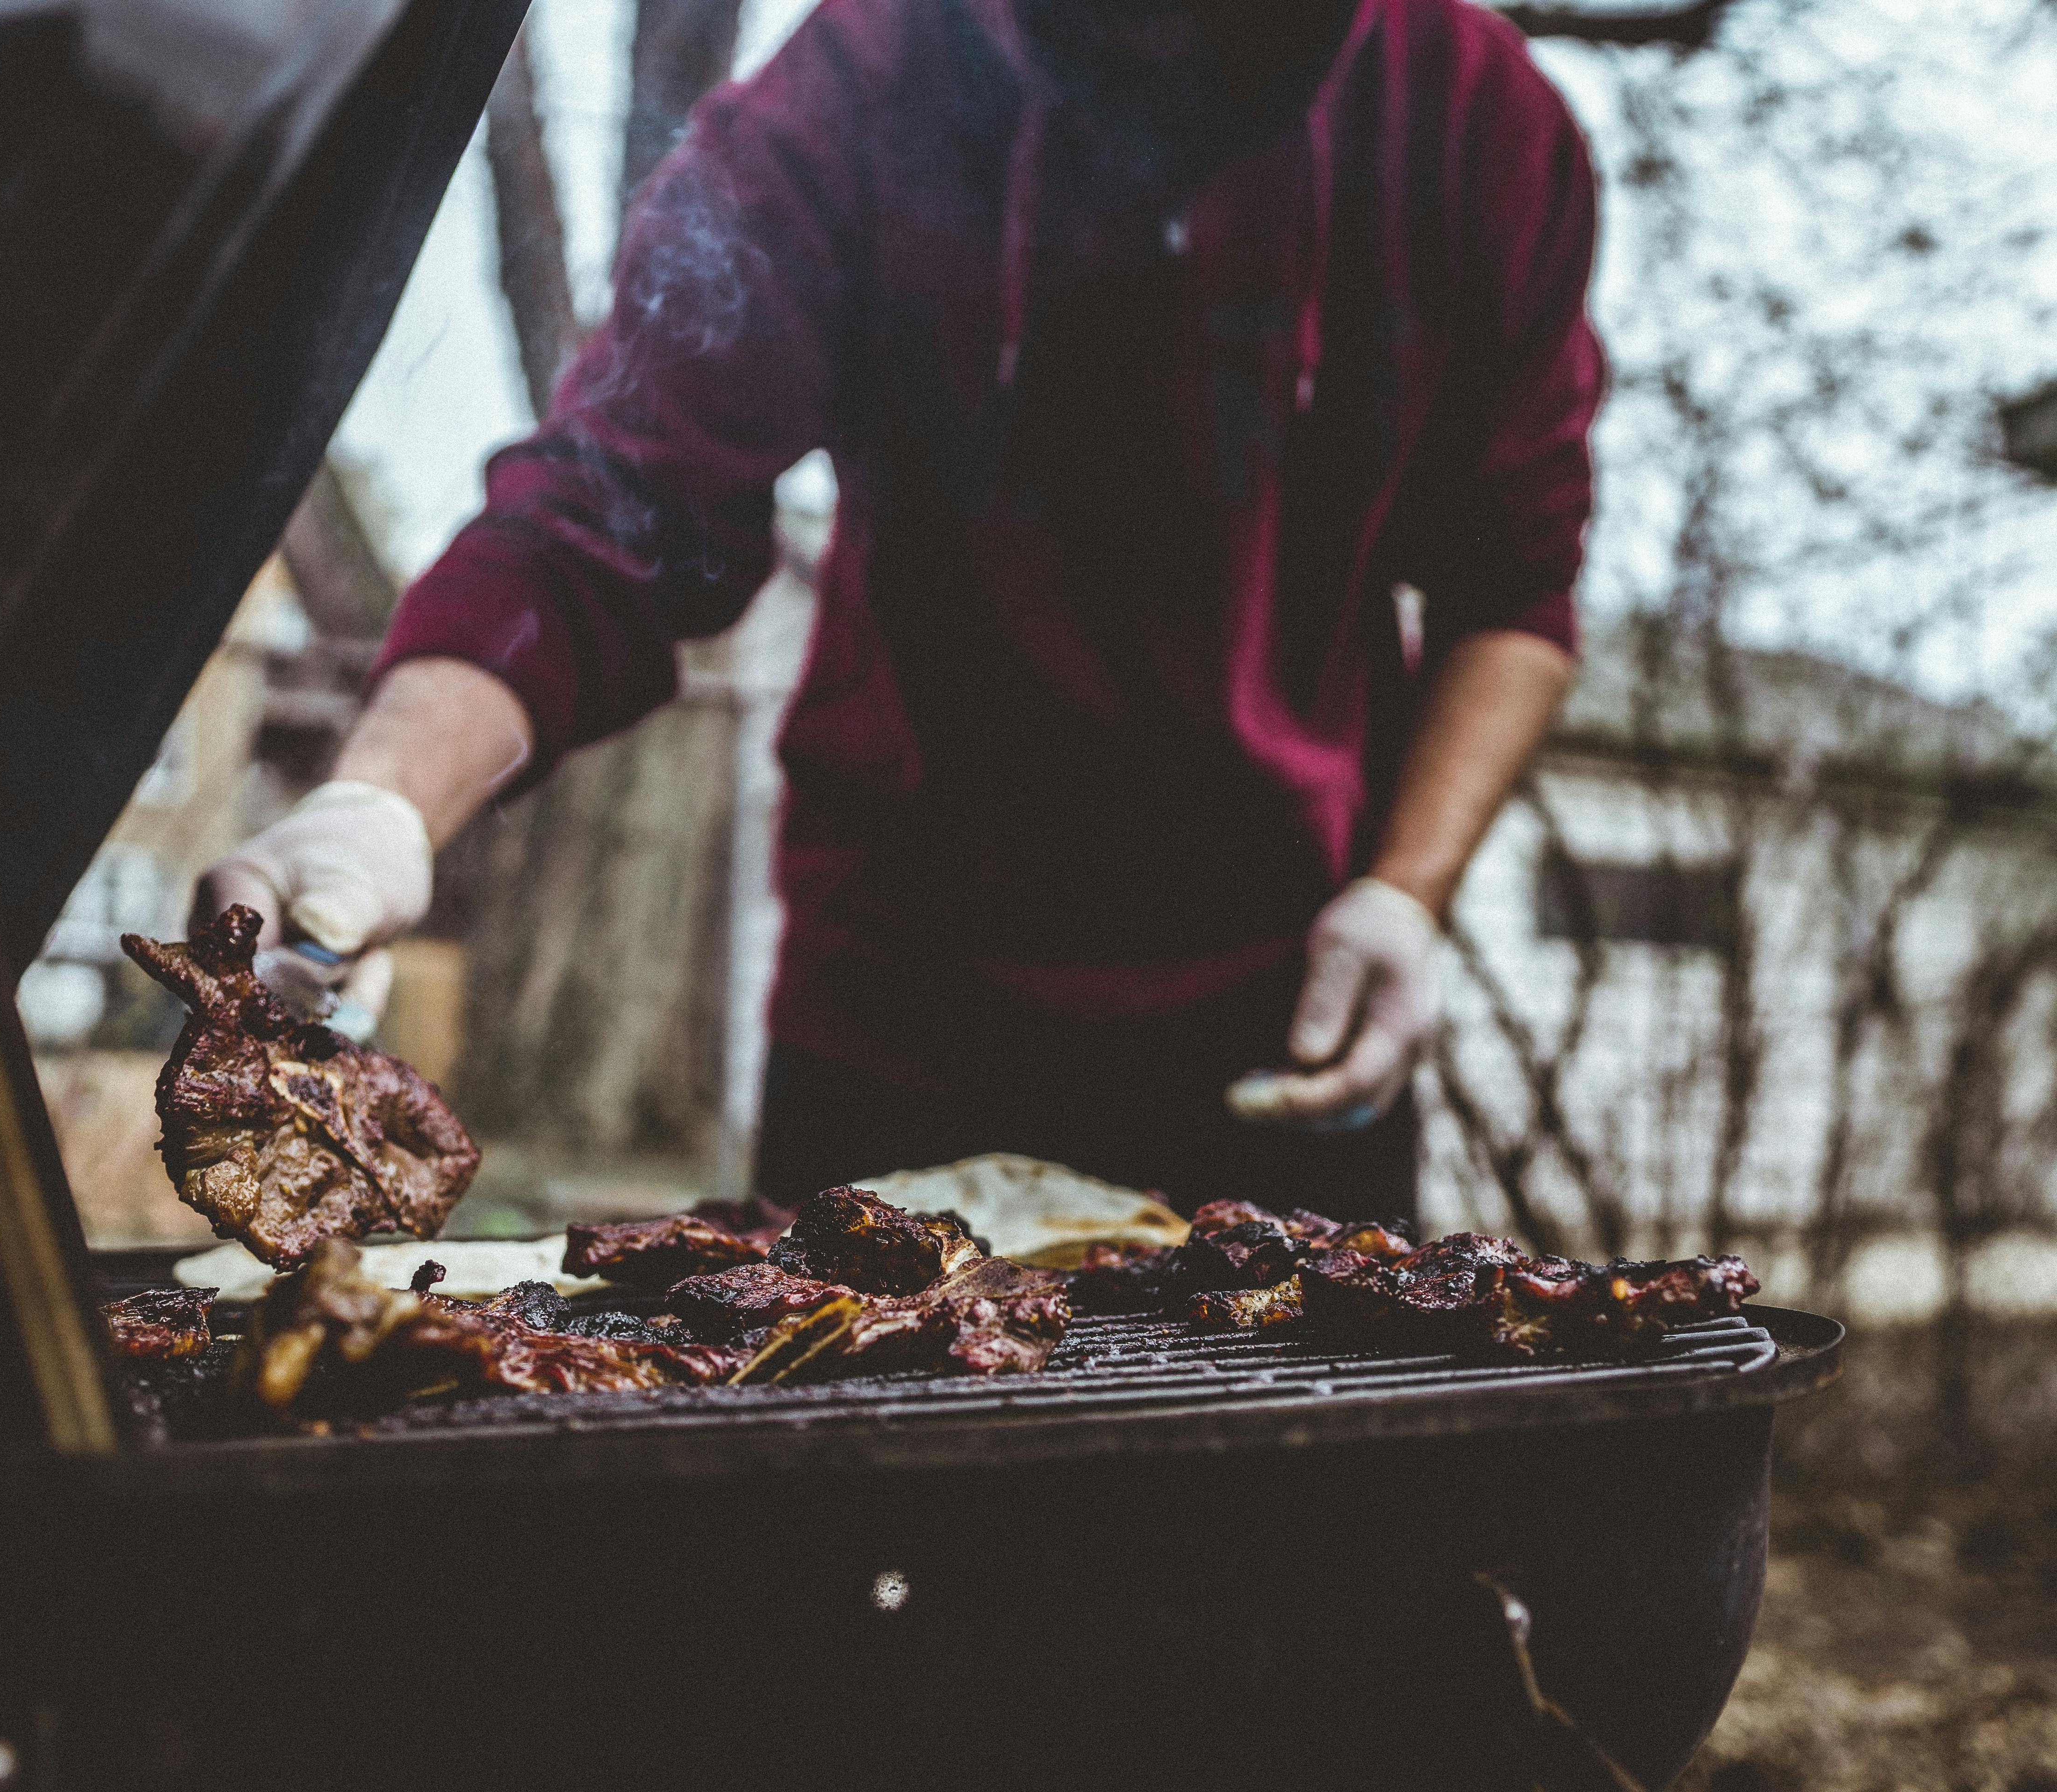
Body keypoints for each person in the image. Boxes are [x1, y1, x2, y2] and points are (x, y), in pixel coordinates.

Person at [202, 0, 1598, 1221]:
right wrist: (383, 804)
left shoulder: (1481, 124)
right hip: (901, 1025)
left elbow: (1514, 588)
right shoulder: (863, 81)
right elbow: (613, 512)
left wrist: (1404, 895)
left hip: (1285, 1028)